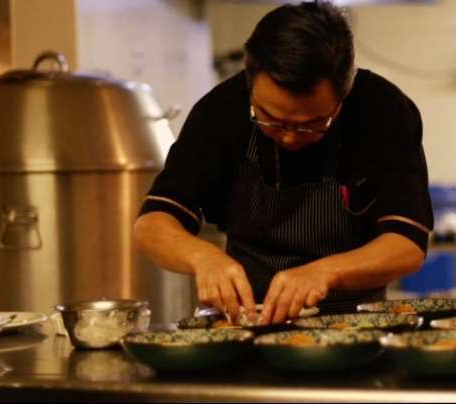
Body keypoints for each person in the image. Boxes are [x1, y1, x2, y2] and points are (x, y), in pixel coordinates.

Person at [134, 0, 433, 325]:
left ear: (343, 94)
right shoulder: (219, 111)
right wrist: (202, 257)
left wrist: (325, 272)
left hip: (355, 327)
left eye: (311, 124)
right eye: (269, 119)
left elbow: (407, 245)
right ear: (250, 83)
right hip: (246, 324)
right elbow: (152, 224)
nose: (289, 137)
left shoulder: (385, 112)